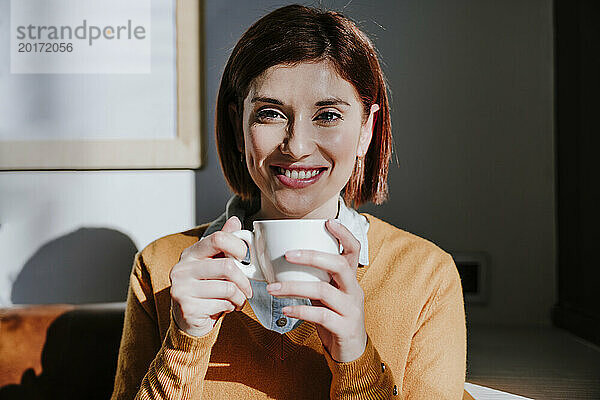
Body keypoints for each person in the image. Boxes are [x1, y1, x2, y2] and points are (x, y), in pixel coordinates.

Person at [111, 4, 466, 399]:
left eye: (328, 115)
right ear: (238, 124)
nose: (296, 146)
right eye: (269, 113)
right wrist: (184, 345)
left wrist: (355, 359)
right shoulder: (161, 267)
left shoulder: (424, 276)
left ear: (367, 130)